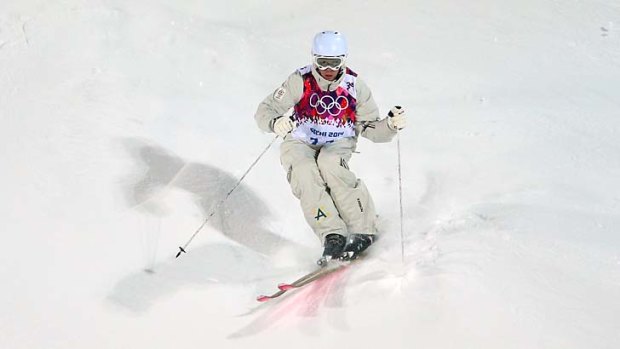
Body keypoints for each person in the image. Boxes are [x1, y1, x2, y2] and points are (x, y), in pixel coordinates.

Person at [254, 30, 406, 265]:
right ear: (313, 59)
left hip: (338, 140)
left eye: (334, 63)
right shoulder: (299, 80)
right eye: (322, 62)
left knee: (330, 164)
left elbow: (370, 128)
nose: (327, 69)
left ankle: (363, 228)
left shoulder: (355, 87)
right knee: (303, 171)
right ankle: (332, 234)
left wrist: (390, 125)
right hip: (301, 138)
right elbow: (264, 111)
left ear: (343, 61)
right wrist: (276, 123)